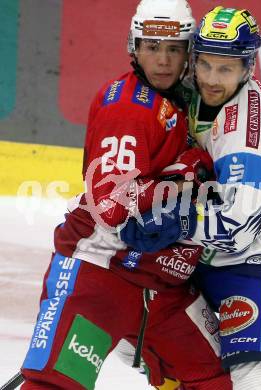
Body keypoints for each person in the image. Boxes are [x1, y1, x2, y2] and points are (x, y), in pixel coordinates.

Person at [20, 1, 232, 389]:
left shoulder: (183, 100)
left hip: (163, 286)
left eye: (174, 49)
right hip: (100, 277)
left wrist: (188, 173)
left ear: (188, 53)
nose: (164, 60)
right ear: (134, 47)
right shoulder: (128, 109)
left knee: (217, 379)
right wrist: (183, 183)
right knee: (56, 384)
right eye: (152, 47)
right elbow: (111, 204)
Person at [121, 6, 261, 390]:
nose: (212, 79)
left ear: (248, 67)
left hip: (255, 260)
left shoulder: (251, 133)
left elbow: (238, 228)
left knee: (255, 376)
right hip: (196, 255)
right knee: (131, 329)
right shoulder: (187, 93)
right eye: (205, 65)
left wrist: (173, 220)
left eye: (226, 69)